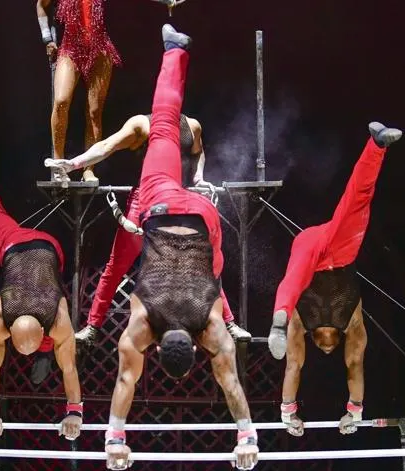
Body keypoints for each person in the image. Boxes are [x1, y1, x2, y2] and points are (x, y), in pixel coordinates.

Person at [62, 24, 258, 471]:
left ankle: (174, 51)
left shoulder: (207, 332)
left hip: (192, 213)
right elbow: (127, 382)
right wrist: (113, 440)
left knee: (210, 270)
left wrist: (248, 437)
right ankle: (173, 50)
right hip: (161, 204)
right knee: (165, 125)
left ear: (196, 348)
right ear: (156, 346)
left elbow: (227, 383)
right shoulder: (142, 329)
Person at [47, 113, 252, 343]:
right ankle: (93, 327)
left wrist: (198, 178)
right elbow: (107, 146)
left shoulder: (192, 125)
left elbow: (198, 152)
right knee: (116, 267)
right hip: (144, 202)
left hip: (177, 202)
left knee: (202, 262)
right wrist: (75, 164)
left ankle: (229, 322)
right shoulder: (141, 124)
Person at [266, 123, 402, 436]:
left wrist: (288, 413)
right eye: (331, 349)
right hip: (341, 254)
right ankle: (377, 146)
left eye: (322, 349)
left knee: (295, 280)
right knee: (358, 203)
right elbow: (354, 365)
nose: (327, 350)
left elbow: (294, 366)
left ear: (315, 341)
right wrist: (355, 410)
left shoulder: (301, 325)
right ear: (336, 341)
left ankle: (277, 321)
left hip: (311, 249)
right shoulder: (353, 325)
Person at [0, 171, 82, 440]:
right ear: (9, 335)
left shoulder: (57, 320)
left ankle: (46, 352)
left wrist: (75, 412)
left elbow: (70, 368)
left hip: (33, 246)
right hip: (29, 246)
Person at [36, 0, 120, 183]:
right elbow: (41, 5)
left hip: (100, 48)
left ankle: (88, 169)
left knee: (94, 112)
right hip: (70, 48)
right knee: (61, 101)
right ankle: (58, 164)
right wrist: (47, 39)